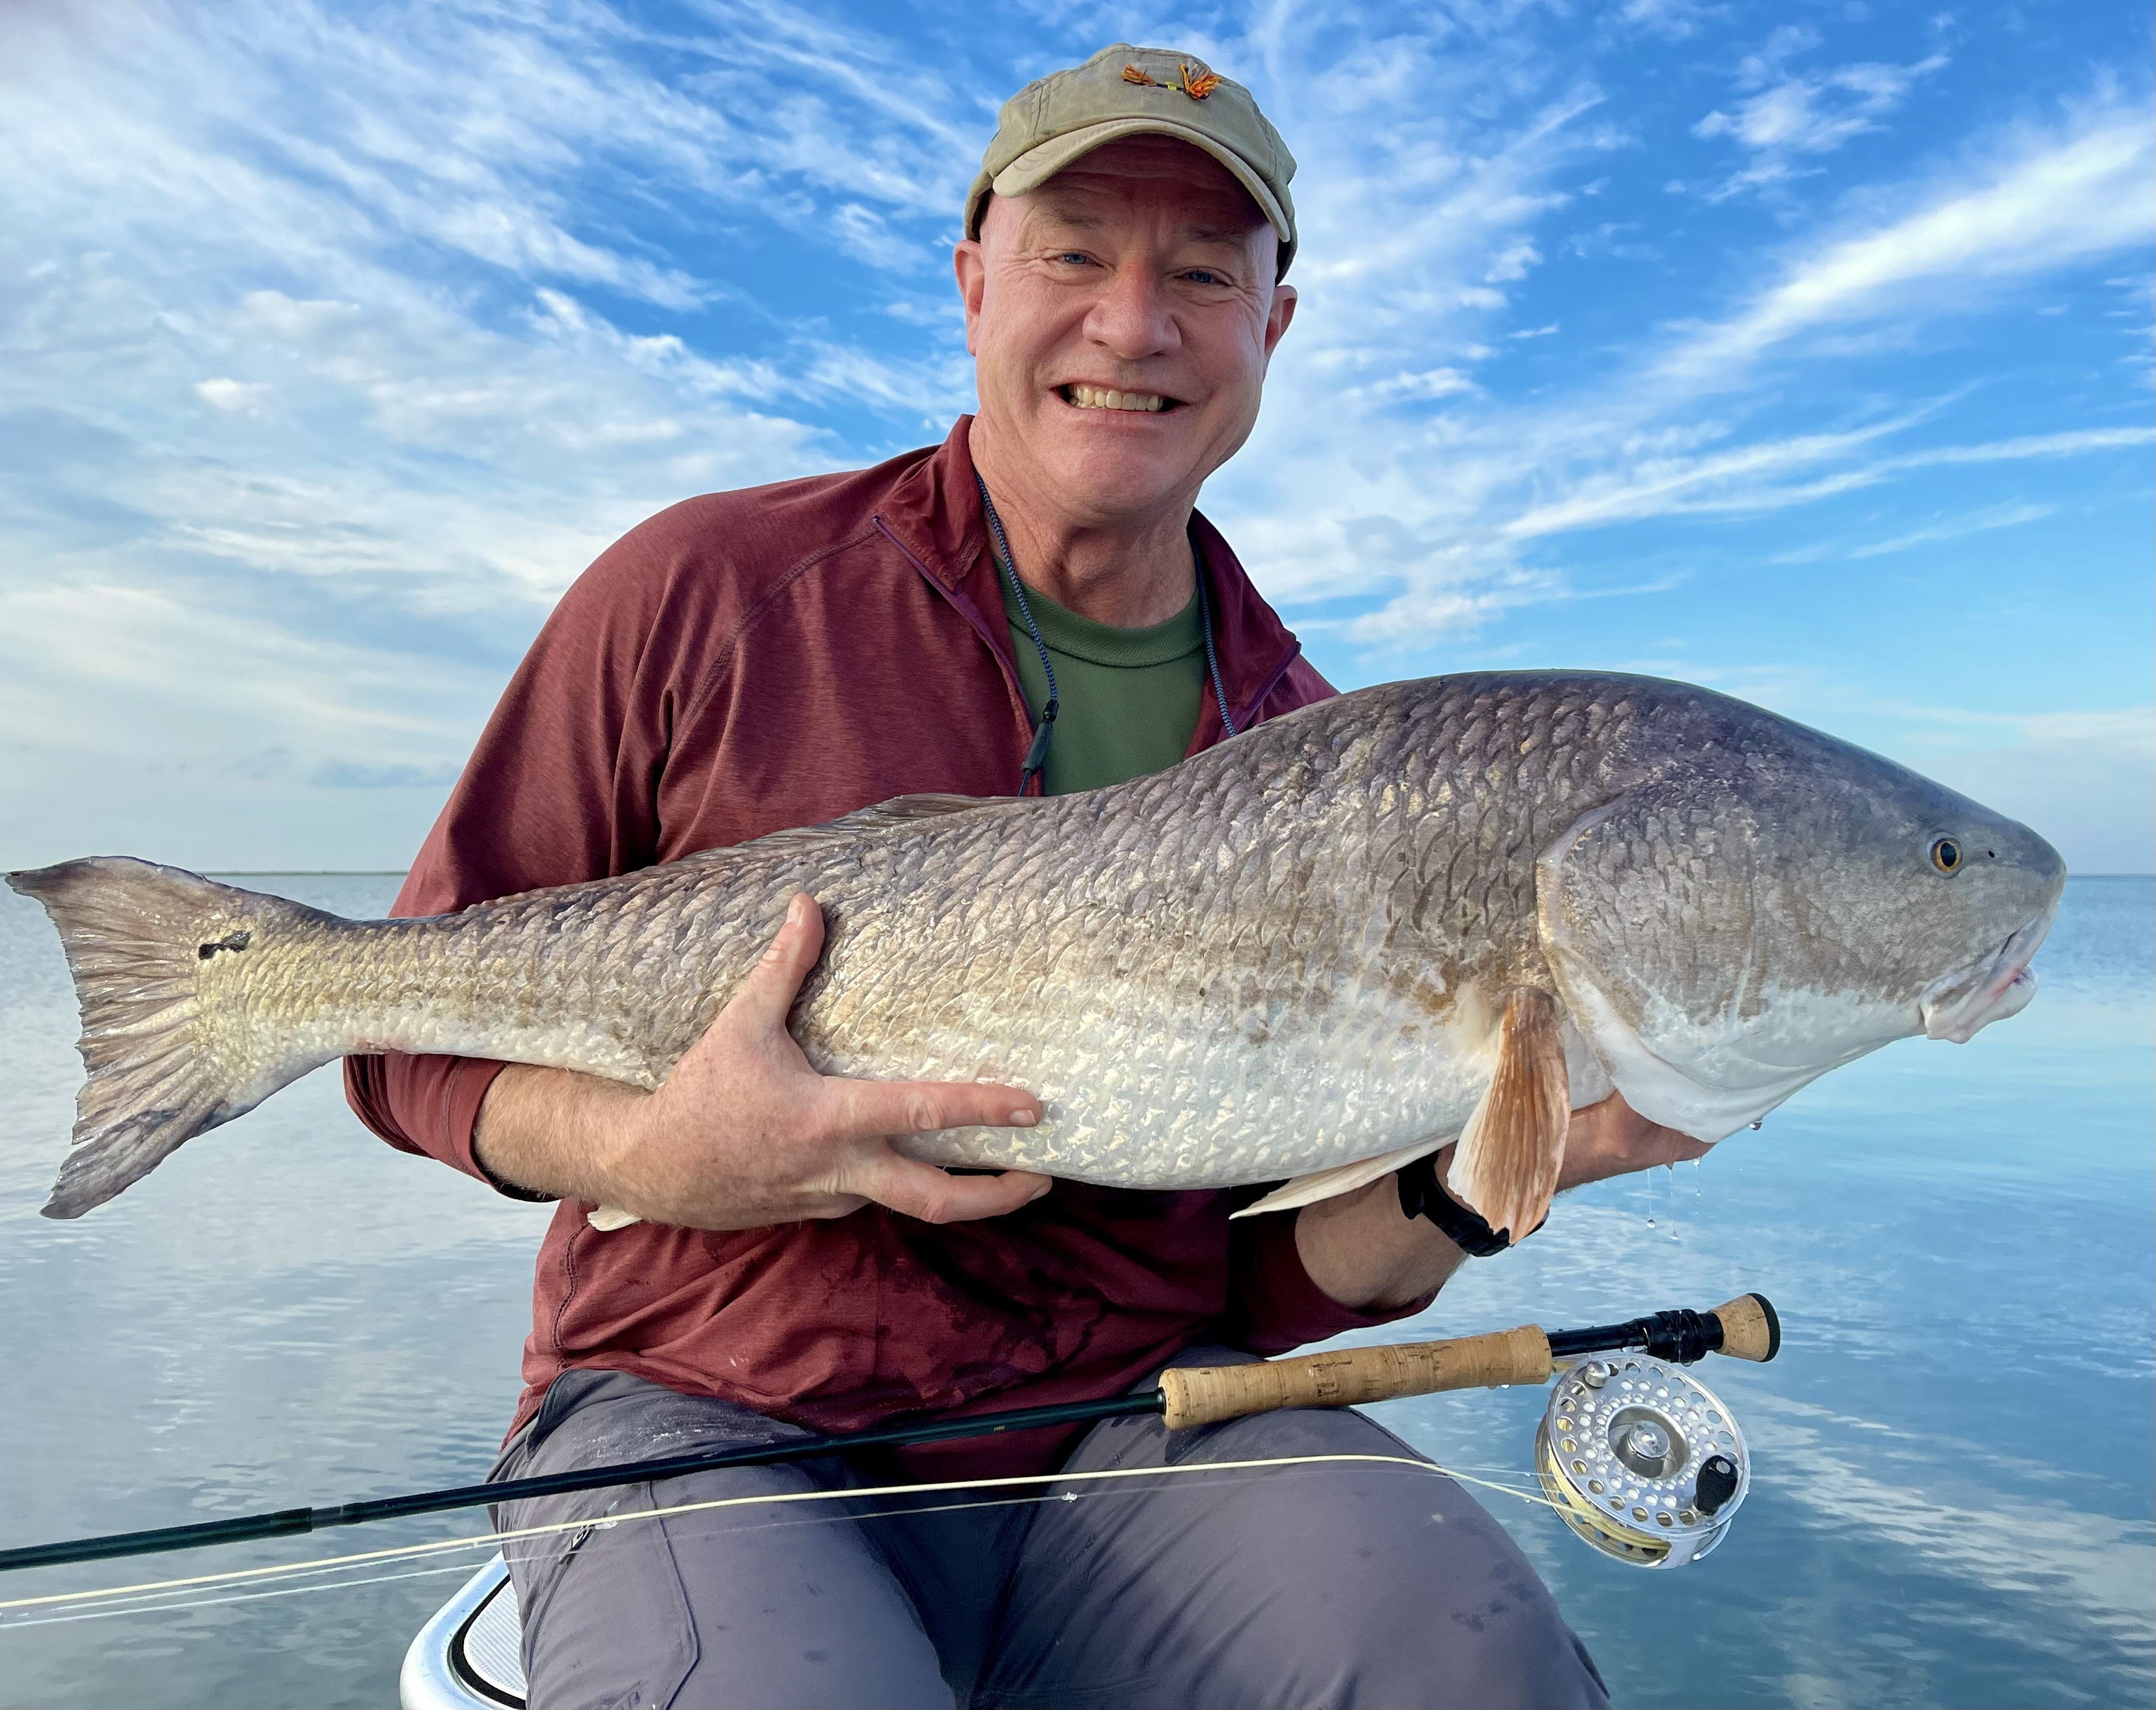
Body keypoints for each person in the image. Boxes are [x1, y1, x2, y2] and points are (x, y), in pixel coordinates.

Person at [349, 42, 1705, 1710]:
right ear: (974, 282)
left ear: (1272, 327)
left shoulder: (1335, 761)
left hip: (1130, 1419)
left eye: (1202, 274)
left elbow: (1261, 1274)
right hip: (701, 1407)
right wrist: (651, 1155)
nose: (1133, 326)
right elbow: (392, 1029)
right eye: (1074, 253)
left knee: (1468, 1661)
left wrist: (1464, 1184)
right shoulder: (701, 591)